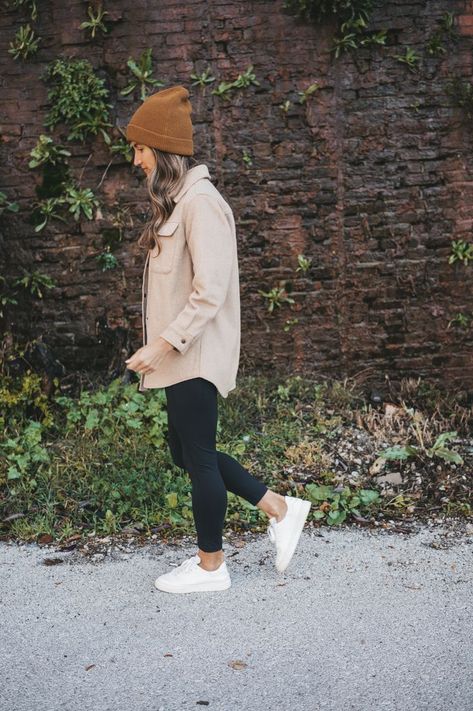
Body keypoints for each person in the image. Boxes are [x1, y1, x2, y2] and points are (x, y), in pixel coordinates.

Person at [124, 85, 311, 594]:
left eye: (141, 148)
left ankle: (212, 566)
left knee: (199, 456)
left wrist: (162, 344)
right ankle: (279, 507)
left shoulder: (202, 204)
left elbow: (210, 292)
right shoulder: (180, 202)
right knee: (183, 452)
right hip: (183, 352)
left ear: (161, 150)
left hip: (193, 351)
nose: (136, 158)